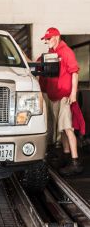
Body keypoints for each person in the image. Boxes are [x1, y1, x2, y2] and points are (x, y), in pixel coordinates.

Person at [39, 27, 83, 176]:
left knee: (68, 128)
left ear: (56, 37)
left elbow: (75, 73)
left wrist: (73, 94)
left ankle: (75, 162)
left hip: (64, 96)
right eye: (45, 39)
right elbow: (36, 64)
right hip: (53, 96)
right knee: (63, 129)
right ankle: (65, 156)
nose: (46, 41)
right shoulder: (51, 53)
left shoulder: (66, 52)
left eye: (48, 38)